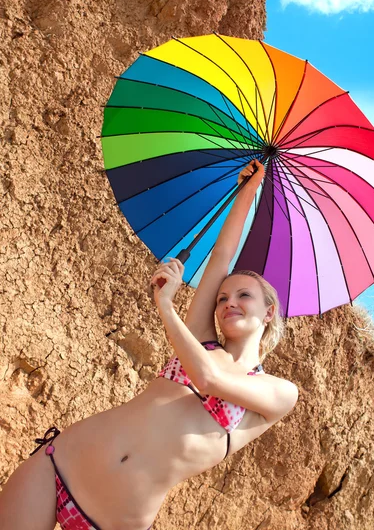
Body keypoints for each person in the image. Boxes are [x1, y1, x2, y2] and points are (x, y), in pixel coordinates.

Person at [0, 159, 298, 530]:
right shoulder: (201, 342)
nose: (228, 302)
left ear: (269, 313)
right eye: (221, 298)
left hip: (114, 521)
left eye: (244, 296)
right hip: (59, 464)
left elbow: (207, 380)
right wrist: (247, 193)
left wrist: (167, 306)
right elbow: (220, 258)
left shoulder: (278, 392)